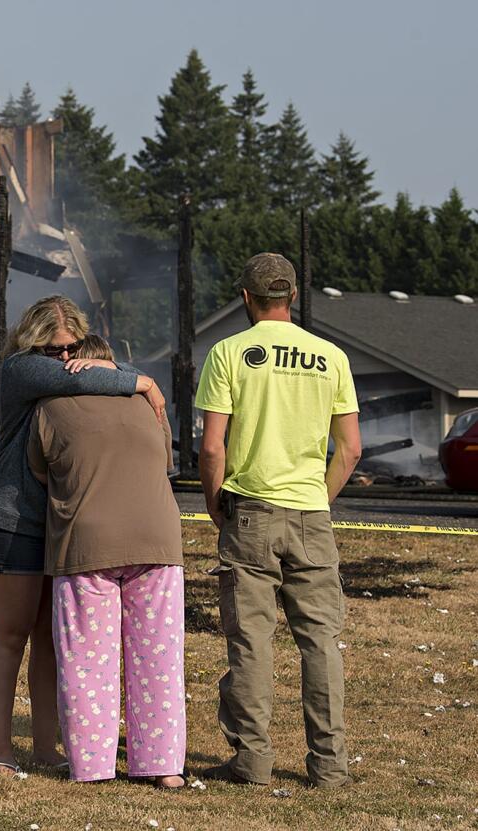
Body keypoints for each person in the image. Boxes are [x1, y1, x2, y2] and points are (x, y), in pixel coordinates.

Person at [0, 296, 166, 774]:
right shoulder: (21, 369)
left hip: (63, 523)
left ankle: (45, 749)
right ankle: (0, 751)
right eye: (52, 349)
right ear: (31, 343)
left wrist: (110, 367)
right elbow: (90, 376)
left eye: (71, 346)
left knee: (50, 638)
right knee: (12, 633)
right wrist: (141, 382)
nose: (63, 357)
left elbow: (94, 372)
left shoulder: (80, 367)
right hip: (14, 519)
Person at [195, 253, 362, 788]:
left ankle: (252, 762)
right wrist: (320, 497)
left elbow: (213, 446)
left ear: (246, 298)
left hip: (251, 509)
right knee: (320, 641)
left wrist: (215, 501)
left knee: (251, 640)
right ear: (291, 297)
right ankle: (330, 767)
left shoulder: (229, 353)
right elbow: (351, 449)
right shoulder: (331, 356)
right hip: (311, 512)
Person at [26, 335, 186, 788]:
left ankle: (92, 768)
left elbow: (41, 472)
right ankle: (163, 768)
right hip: (157, 540)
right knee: (158, 660)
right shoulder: (149, 406)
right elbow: (164, 462)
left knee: (86, 663)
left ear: (73, 367)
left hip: (85, 546)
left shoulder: (50, 409)